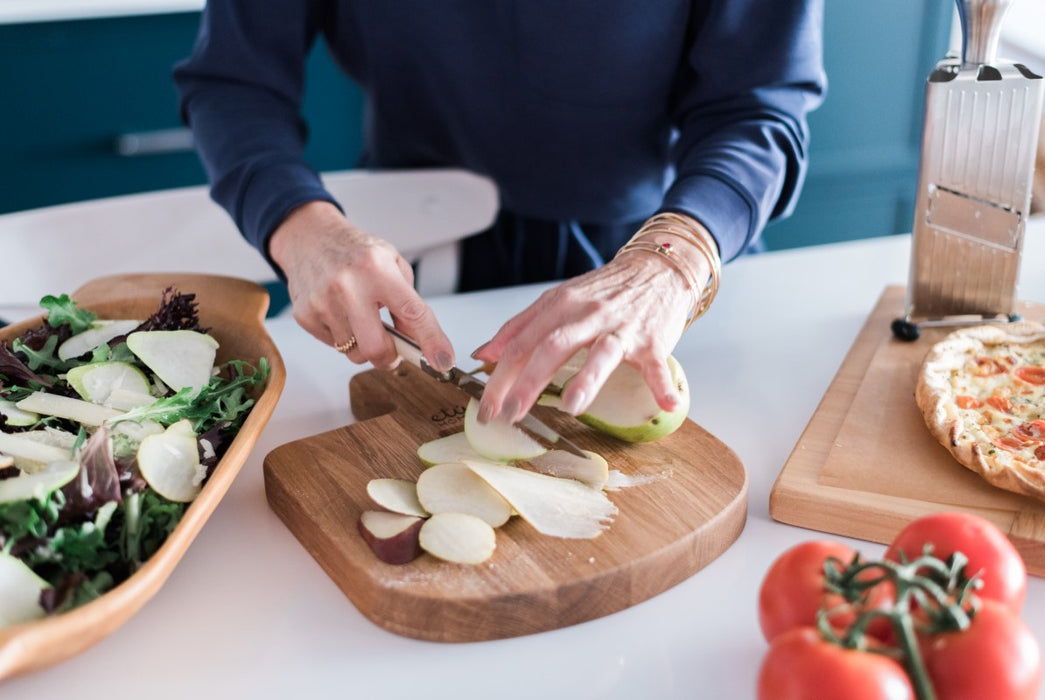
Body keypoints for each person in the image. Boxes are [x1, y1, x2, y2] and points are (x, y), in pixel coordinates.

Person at [173, 1, 825, 426]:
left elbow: (758, 108)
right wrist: (301, 227)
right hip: (410, 280)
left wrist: (674, 258)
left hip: (660, 267)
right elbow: (234, 82)